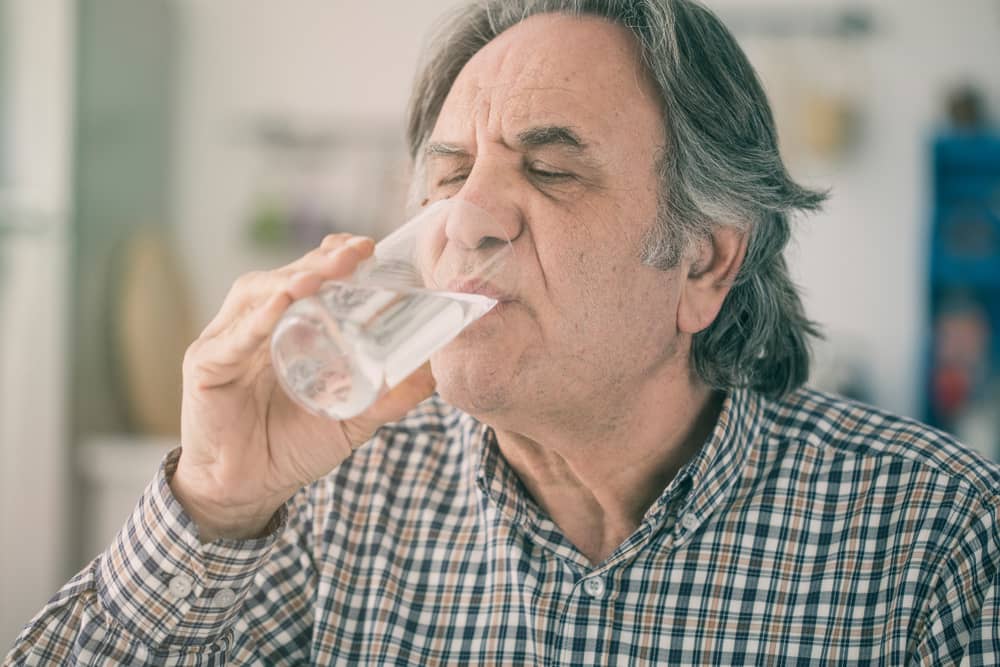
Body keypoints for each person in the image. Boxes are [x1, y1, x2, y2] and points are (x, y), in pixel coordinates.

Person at [6, 0, 999, 664]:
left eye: (552, 168)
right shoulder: (338, 499)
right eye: (447, 173)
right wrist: (215, 501)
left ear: (701, 262)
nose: (468, 218)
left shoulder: (934, 534)